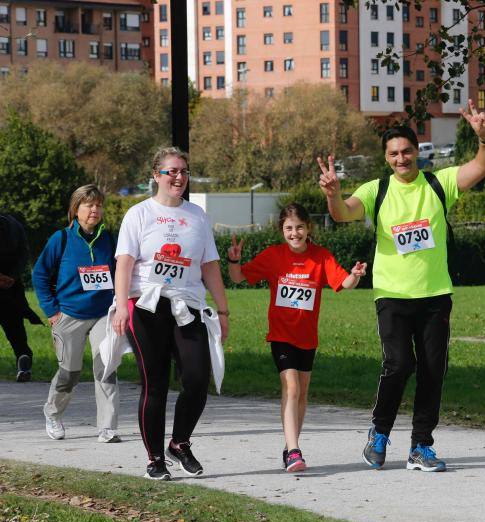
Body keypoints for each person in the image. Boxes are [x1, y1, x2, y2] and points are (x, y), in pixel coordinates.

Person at [319, 100, 485, 472]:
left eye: (406, 151)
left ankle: (421, 445)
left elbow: (481, 167)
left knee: (433, 370)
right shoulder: (376, 190)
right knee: (398, 364)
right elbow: (343, 213)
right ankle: (379, 433)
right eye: (394, 154)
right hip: (392, 295)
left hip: (435, 295)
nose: (401, 158)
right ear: (386, 158)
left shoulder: (439, 182)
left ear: (417, 152)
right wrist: (333, 194)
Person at [110, 147, 229, 481]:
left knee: (197, 378)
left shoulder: (197, 216)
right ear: (156, 175)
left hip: (187, 305)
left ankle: (179, 442)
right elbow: (124, 263)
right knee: (156, 383)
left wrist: (223, 311)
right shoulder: (139, 214)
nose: (179, 177)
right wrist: (121, 305)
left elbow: (209, 265)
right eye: (172, 171)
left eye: (184, 171)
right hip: (145, 305)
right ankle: (155, 458)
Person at [227, 203, 367, 473]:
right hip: (281, 335)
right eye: (289, 228)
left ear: (308, 228)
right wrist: (234, 261)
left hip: (307, 337)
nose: (295, 233)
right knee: (291, 388)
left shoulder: (320, 256)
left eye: (299, 227)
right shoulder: (273, 255)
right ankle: (294, 451)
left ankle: (290, 447)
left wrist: (355, 275)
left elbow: (344, 283)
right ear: (281, 230)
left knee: (301, 393)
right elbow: (238, 277)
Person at [32, 185, 120, 443]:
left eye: (98, 205)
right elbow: (39, 274)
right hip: (69, 314)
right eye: (88, 205)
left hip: (103, 314)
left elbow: (121, 273)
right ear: (75, 209)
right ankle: (53, 413)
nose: (94, 210)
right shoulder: (60, 239)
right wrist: (51, 311)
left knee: (106, 368)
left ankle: (107, 427)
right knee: (69, 372)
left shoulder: (109, 239)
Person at [0, 213, 43, 382]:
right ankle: (23, 358)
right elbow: (24, 254)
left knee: (14, 326)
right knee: (15, 328)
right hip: (11, 286)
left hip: (8, 282)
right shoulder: (13, 224)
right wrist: (12, 276)